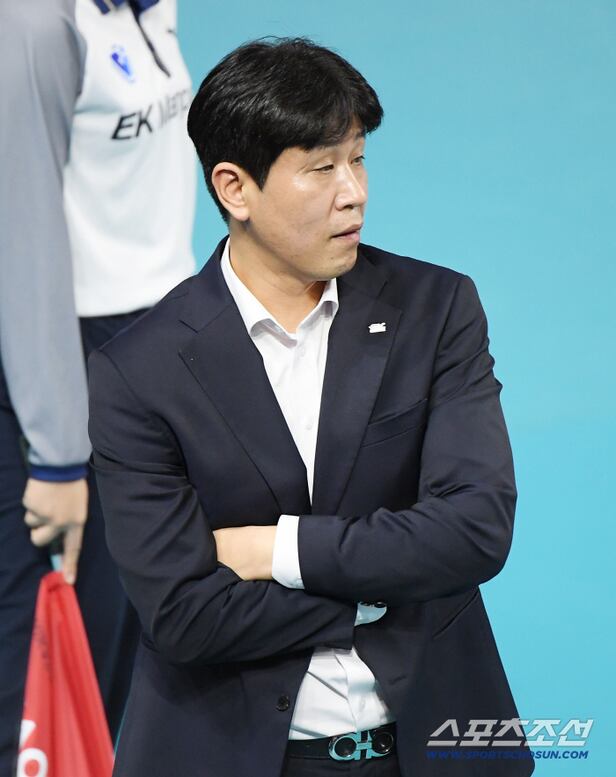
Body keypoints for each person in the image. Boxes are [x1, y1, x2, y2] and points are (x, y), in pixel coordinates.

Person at [88, 38, 533, 777]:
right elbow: (182, 615)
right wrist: (378, 596)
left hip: (438, 746)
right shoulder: (137, 372)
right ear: (235, 189)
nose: (353, 192)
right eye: (322, 168)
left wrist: (276, 551)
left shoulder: (437, 309)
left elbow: (476, 528)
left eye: (358, 159)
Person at [0, 0, 195, 772]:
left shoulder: (155, 6)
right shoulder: (33, 25)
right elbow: (22, 239)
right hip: (59, 364)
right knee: (39, 672)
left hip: (151, 354)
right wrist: (57, 455)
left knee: (124, 648)